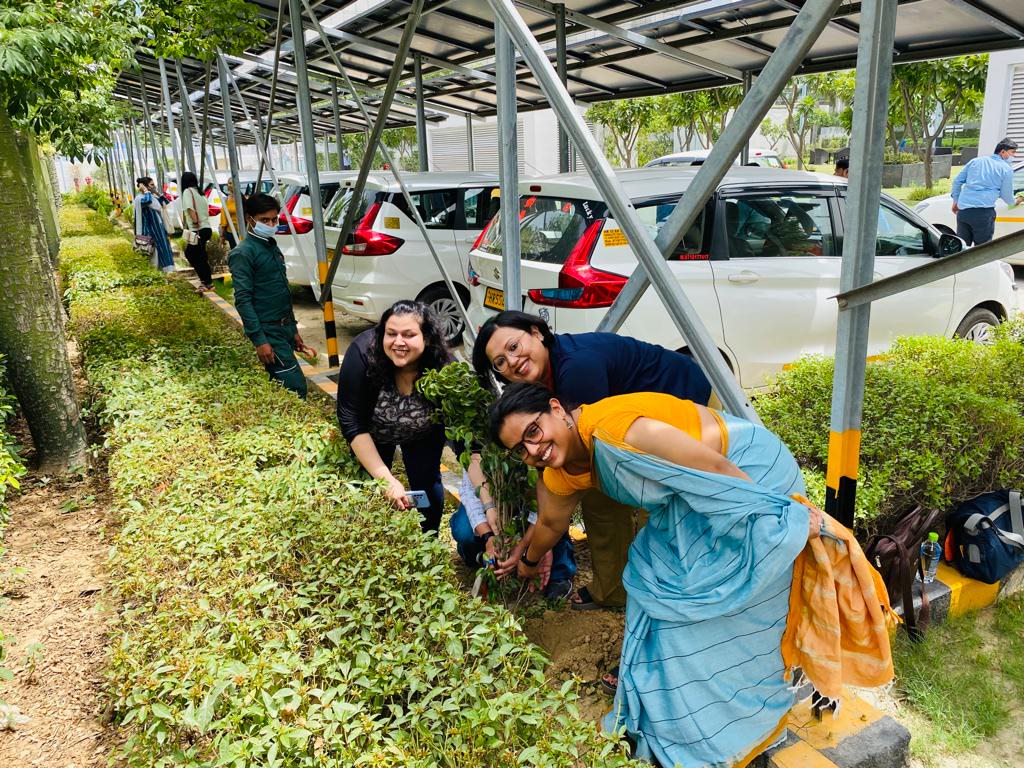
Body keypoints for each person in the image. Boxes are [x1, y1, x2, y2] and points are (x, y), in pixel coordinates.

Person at [489, 384, 895, 768]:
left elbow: (715, 466)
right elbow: (550, 523)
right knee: (655, 583)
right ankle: (676, 710)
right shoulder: (559, 471)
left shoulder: (617, 431)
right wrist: (525, 562)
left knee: (723, 608)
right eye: (520, 449)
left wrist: (774, 520)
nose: (533, 449)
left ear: (557, 409)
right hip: (692, 500)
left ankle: (731, 723)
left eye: (534, 430)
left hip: (746, 480)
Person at [472, 311, 712, 611]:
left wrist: (532, 550)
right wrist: (532, 544)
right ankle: (614, 592)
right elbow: (551, 478)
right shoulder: (540, 383)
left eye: (513, 347)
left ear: (536, 333)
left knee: (648, 501)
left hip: (682, 403)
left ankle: (667, 593)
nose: (512, 362)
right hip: (631, 425)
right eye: (500, 363)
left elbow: (568, 477)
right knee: (601, 497)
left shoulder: (577, 369)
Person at [337, 300, 452, 533]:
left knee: (427, 483)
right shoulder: (362, 353)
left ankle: (428, 541)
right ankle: (375, 537)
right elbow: (351, 421)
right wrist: (386, 479)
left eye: (409, 335)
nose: (398, 342)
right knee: (368, 487)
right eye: (391, 334)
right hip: (372, 432)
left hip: (423, 433)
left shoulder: (444, 367)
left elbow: (459, 430)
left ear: (427, 338)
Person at [228, 193, 316, 399]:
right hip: (268, 331)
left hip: (284, 327)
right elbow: (243, 300)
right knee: (295, 387)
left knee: (282, 386)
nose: (271, 224)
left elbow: (282, 292)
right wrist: (260, 341)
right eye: (264, 220)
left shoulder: (271, 247)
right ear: (250, 219)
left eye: (274, 219)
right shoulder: (243, 253)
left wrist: (293, 330)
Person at [449, 467, 576, 599]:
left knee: (554, 523)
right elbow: (471, 491)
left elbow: (546, 506)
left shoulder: (536, 454)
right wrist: (488, 536)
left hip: (541, 494)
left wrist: (535, 543)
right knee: (463, 531)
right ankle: (477, 555)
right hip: (494, 498)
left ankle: (560, 571)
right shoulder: (478, 454)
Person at [951, 137, 1024, 245]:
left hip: (963, 212)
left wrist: (956, 201)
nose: (1014, 155)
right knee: (982, 249)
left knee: (962, 247)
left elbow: (957, 181)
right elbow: (1005, 194)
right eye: (1012, 152)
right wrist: (1015, 202)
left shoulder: (975, 161)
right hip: (983, 213)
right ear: (1003, 151)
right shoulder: (1005, 168)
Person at [179, 171, 214, 291]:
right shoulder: (201, 193)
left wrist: (194, 222)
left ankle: (205, 282)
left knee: (192, 254)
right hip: (206, 228)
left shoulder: (187, 192)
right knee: (200, 255)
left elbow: (190, 208)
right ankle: (207, 282)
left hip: (197, 229)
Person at [132, 177, 175, 272]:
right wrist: (145, 191)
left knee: (164, 250)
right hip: (150, 231)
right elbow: (147, 201)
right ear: (144, 186)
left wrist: (157, 193)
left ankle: (167, 271)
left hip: (159, 230)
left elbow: (165, 202)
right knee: (153, 252)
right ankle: (155, 273)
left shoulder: (153, 197)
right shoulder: (140, 199)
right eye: (151, 185)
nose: (154, 186)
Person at [220, 179, 239, 250]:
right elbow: (223, 219)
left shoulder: (242, 199)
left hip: (242, 232)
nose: (231, 185)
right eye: (229, 183)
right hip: (231, 232)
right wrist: (222, 236)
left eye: (233, 183)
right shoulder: (226, 200)